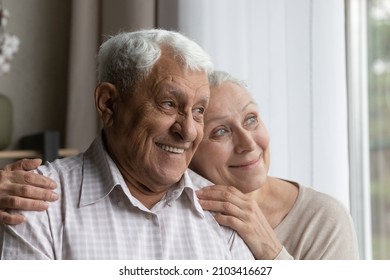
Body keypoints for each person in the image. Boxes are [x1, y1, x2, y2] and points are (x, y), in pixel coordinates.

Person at [0, 30, 254, 260]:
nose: (187, 131)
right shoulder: (36, 201)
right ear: (108, 104)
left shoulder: (223, 213)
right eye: (168, 103)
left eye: (199, 110)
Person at [189, 70, 360, 260]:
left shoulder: (324, 220)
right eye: (220, 131)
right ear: (189, 149)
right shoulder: (175, 215)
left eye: (251, 120)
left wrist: (270, 250)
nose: (248, 143)